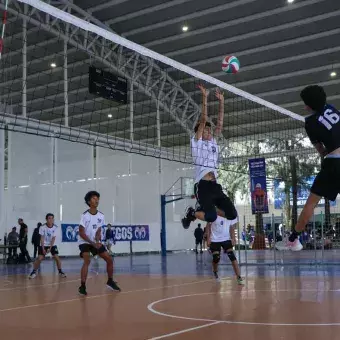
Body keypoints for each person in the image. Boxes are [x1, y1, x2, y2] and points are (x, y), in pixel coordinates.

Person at [282, 85, 340, 251]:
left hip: (333, 163)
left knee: (311, 203)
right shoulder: (332, 109)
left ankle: (293, 240)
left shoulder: (310, 122)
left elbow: (321, 150)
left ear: (307, 106)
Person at [182, 84, 237, 229]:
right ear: (199, 132)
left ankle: (209, 207)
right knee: (211, 217)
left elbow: (220, 123)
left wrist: (222, 101)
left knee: (232, 214)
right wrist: (205, 97)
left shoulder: (213, 142)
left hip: (215, 186)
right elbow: (203, 119)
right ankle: (193, 213)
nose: (209, 131)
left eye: (209, 130)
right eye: (206, 130)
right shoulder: (196, 143)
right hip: (202, 186)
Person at [78, 191, 120, 295]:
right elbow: (81, 233)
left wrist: (97, 241)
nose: (96, 200)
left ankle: (110, 281)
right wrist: (93, 243)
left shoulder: (101, 216)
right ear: (89, 201)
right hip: (85, 241)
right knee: (87, 261)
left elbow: (98, 231)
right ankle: (82, 286)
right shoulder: (85, 216)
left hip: (94, 242)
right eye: (93, 198)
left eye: (97, 198)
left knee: (109, 260)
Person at [206, 212, 244, 284]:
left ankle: (239, 277)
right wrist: (208, 238)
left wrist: (233, 238)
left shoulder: (230, 212)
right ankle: (215, 271)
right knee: (216, 257)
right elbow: (208, 225)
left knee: (232, 256)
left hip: (226, 239)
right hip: (214, 239)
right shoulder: (214, 212)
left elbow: (231, 227)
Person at [29, 214, 67, 279]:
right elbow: (42, 238)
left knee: (57, 258)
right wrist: (43, 248)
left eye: (52, 218)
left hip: (52, 245)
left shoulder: (55, 227)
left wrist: (50, 248)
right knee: (39, 258)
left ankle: (60, 272)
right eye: (49, 218)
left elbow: (53, 238)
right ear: (46, 219)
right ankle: (33, 272)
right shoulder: (42, 227)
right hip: (43, 244)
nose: (51, 220)